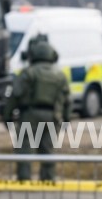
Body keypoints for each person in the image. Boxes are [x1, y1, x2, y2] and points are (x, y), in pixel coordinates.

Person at [4, 34, 72, 182]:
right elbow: (67, 100)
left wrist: (7, 116)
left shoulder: (28, 73)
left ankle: (24, 180)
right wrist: (66, 119)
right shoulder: (60, 75)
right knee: (48, 150)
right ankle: (48, 180)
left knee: (24, 149)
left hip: (29, 115)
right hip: (52, 116)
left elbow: (15, 94)